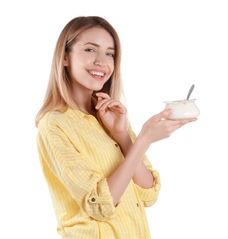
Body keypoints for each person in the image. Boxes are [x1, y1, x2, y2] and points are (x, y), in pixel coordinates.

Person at [35, 16, 197, 239]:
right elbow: (100, 205)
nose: (102, 61)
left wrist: (123, 136)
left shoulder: (111, 115)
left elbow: (148, 193)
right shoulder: (54, 125)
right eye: (90, 50)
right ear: (64, 57)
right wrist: (144, 139)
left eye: (110, 53)